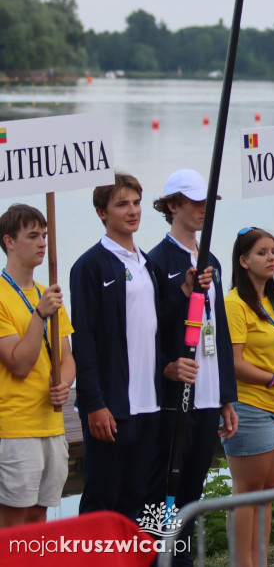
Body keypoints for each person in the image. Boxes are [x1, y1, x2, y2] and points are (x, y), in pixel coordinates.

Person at [146, 169, 238, 564]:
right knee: (162, 494)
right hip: (174, 397)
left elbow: (221, 333)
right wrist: (167, 366)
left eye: (207, 204)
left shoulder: (211, 260)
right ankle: (158, 560)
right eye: (195, 203)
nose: (203, 210)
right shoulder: (156, 260)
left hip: (208, 395)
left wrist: (226, 397)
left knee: (192, 494)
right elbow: (150, 329)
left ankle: (181, 561)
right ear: (172, 206)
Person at [71, 173, 167, 519]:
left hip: (149, 405)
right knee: (101, 503)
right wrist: (94, 403)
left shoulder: (147, 264)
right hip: (112, 408)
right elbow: (83, 340)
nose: (132, 211)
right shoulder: (89, 265)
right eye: (122, 204)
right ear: (102, 212)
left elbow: (155, 326)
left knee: (135, 503)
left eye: (136, 203)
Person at [223, 227, 274, 567]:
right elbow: (234, 363)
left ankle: (260, 561)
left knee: (268, 493)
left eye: (273, 250)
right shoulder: (234, 304)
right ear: (243, 261)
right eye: (262, 252)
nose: (272, 257)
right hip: (250, 405)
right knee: (247, 493)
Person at [0, 204, 75, 527]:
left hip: (52, 425)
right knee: (15, 526)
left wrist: (64, 383)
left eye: (44, 235)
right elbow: (19, 363)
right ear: (9, 242)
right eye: (32, 236)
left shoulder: (49, 293)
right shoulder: (3, 296)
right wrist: (40, 315)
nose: (43, 243)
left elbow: (67, 358)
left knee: (39, 521)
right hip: (16, 427)